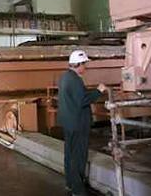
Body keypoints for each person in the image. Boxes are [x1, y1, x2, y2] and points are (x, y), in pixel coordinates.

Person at [57, 50, 107, 196]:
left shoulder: (65, 77)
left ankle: (70, 184)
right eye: (84, 64)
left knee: (69, 153)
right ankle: (78, 190)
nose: (86, 67)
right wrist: (98, 91)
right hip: (78, 123)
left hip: (68, 122)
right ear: (78, 64)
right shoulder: (75, 80)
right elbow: (82, 100)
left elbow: (77, 96)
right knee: (78, 156)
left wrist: (90, 92)